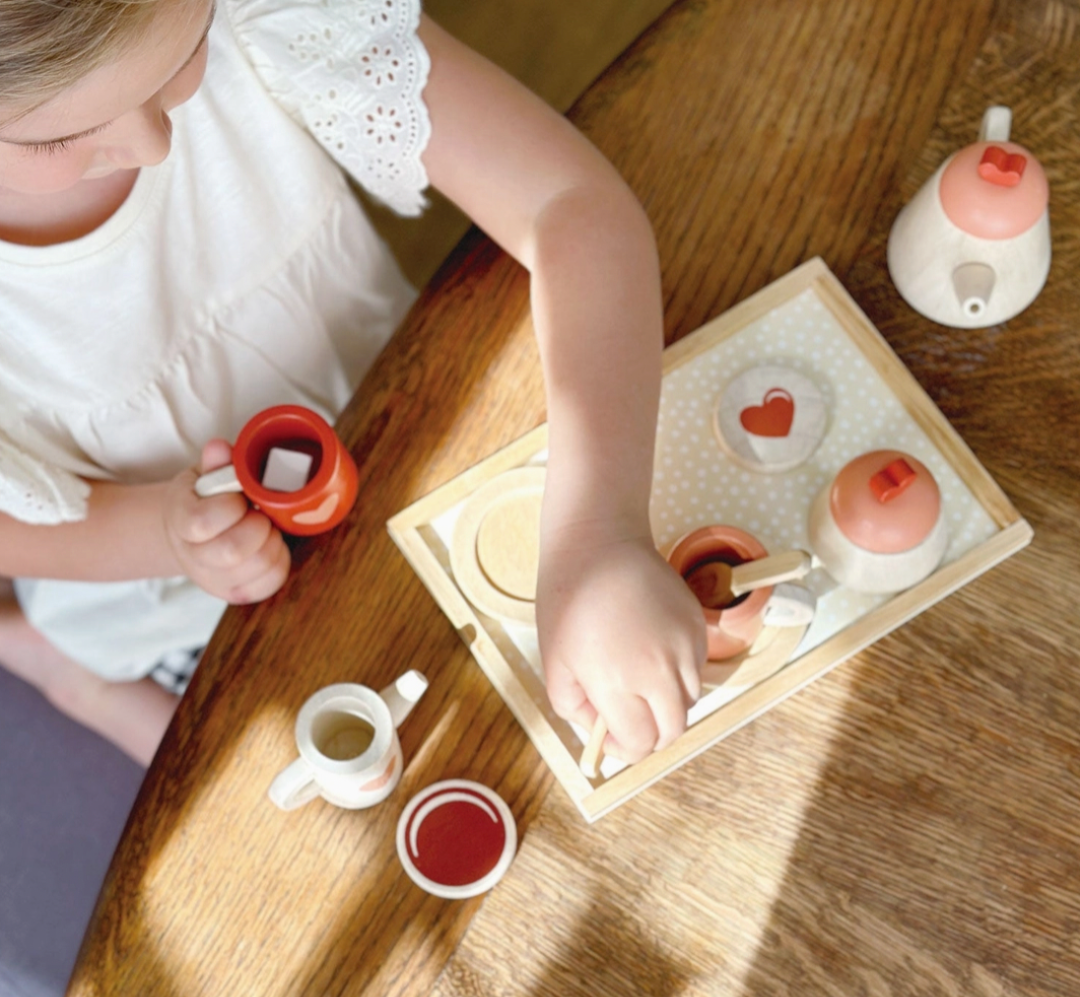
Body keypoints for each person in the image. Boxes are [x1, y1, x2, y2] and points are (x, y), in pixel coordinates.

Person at [0, 0, 706, 770]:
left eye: (183, 56)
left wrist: (599, 535)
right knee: (286, 764)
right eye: (59, 137)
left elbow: (568, 204)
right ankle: (65, 672)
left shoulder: (264, 14)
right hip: (167, 588)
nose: (155, 144)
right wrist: (166, 533)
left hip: (399, 428)